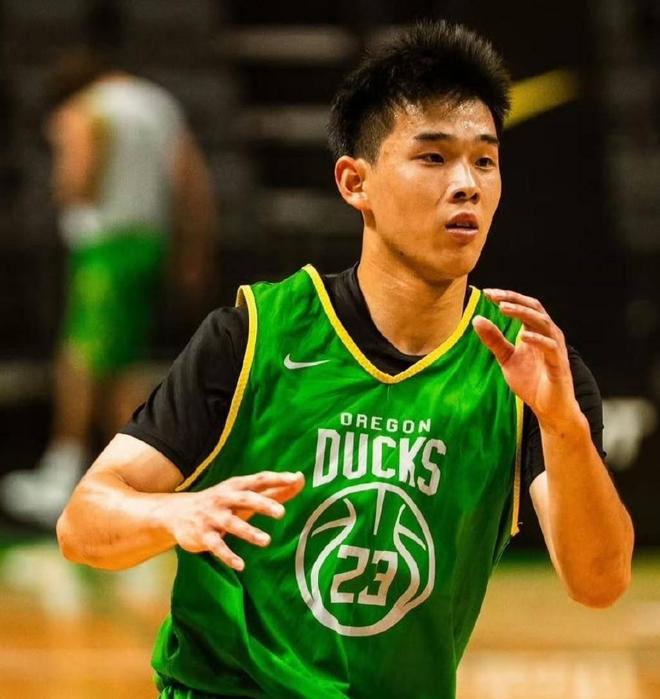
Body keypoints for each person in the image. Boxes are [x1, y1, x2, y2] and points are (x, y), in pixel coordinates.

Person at [56, 22, 633, 699]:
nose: (466, 185)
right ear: (355, 182)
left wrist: (563, 426)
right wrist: (177, 515)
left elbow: (599, 582)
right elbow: (84, 521)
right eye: (433, 157)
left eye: (484, 160)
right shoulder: (256, 334)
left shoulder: (529, 365)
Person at [1, 49, 216, 527]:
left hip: (104, 248)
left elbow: (79, 176)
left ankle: (62, 473)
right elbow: (190, 180)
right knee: (123, 364)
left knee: (80, 357)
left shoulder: (83, 107)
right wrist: (193, 250)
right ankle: (137, 478)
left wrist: (66, 192)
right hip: (148, 243)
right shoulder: (159, 103)